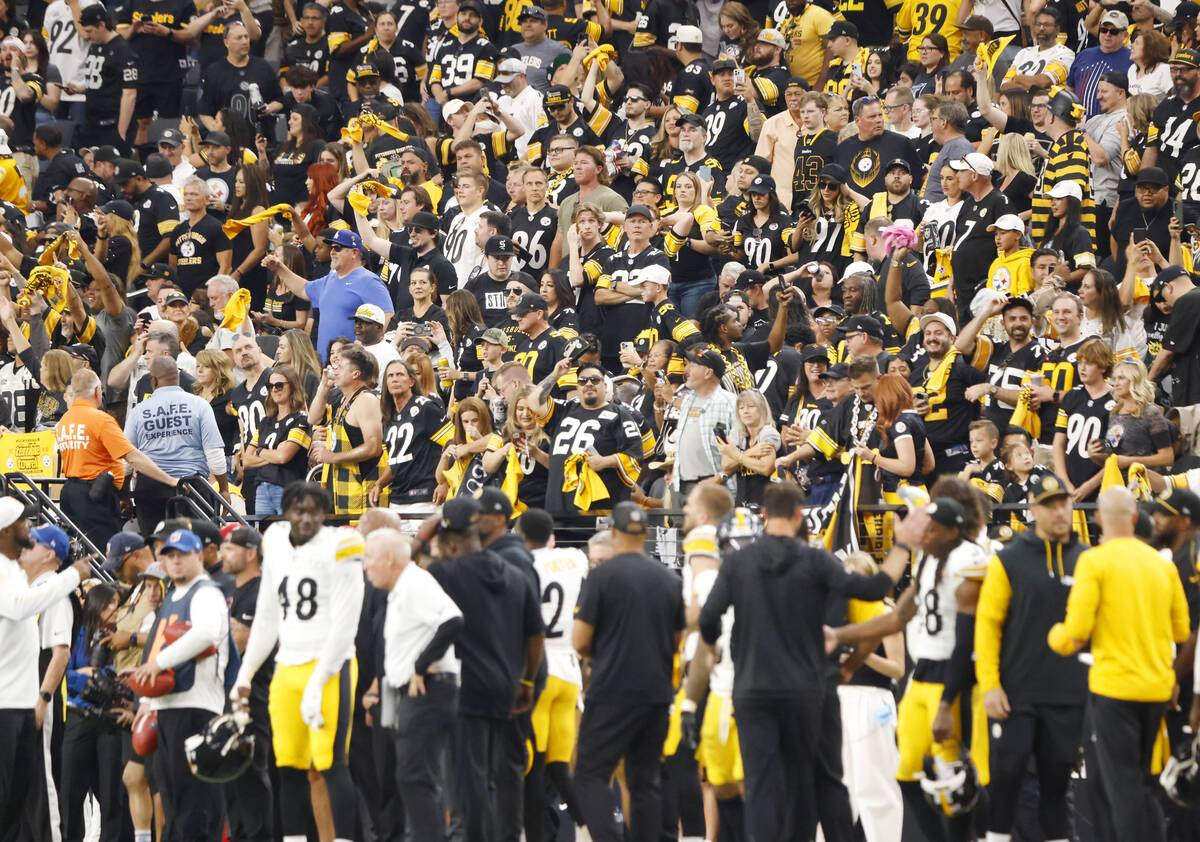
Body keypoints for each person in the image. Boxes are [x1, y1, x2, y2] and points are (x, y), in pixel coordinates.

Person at [700, 481, 910, 841]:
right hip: (805, 691)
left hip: (753, 690)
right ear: (799, 515)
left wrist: (715, 647)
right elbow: (875, 590)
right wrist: (904, 544)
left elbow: (708, 618)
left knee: (762, 784)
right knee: (821, 779)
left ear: (763, 515)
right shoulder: (816, 560)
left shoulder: (738, 562)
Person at [1049, 485, 1190, 841]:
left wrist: (1054, 636)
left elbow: (1077, 634)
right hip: (1157, 688)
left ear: (1097, 519)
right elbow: (1181, 629)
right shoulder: (1162, 565)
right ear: (1133, 518)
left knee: (1122, 785)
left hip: (1115, 690)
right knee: (1142, 780)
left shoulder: (1094, 561)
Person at [233, 481, 366, 842]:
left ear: (324, 515)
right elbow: (267, 613)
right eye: (299, 510)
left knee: (331, 764)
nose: (306, 518)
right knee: (289, 765)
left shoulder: (342, 545)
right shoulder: (274, 541)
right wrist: (245, 673)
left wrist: (319, 681)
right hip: (286, 667)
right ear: (287, 511)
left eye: (314, 512)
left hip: (330, 665)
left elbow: (346, 624)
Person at [975, 471, 1088, 842]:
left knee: (1057, 788)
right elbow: (988, 625)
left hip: (1068, 695)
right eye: (1049, 505)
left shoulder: (1088, 560)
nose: (1059, 512)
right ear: (1033, 510)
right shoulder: (1008, 559)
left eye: (1064, 503)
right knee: (1006, 781)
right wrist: (990, 685)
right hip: (1016, 694)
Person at [427, 495, 544, 842]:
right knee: (505, 774)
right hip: (508, 686)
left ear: (449, 543)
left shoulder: (443, 573)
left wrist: (422, 537)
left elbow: (407, 583)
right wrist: (526, 681)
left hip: (466, 691)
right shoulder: (514, 572)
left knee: (468, 781)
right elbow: (535, 634)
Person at [572, 501, 683, 842]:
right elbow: (678, 638)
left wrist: (601, 653)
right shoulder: (668, 579)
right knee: (644, 782)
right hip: (656, 693)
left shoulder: (602, 575)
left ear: (614, 533)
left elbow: (580, 639)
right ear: (646, 534)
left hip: (612, 690)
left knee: (590, 775)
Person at [130, 528, 231, 842]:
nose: (174, 561)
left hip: (198, 706)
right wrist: (148, 702)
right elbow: (160, 645)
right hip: (170, 706)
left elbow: (206, 634)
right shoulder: (172, 596)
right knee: (174, 802)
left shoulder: (206, 592)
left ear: (199, 556)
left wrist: (157, 665)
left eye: (182, 555)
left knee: (195, 804)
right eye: (169, 555)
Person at [363, 526, 463, 842]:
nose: (365, 566)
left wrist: (420, 665)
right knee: (409, 778)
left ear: (390, 559)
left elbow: (452, 620)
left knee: (415, 778)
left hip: (428, 690)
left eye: (369, 558)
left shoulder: (416, 582)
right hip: (407, 693)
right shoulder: (400, 589)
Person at [0, 498, 92, 833]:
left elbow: (61, 653)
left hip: (34, 699)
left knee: (37, 785)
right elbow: (17, 610)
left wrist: (43, 698)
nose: (27, 537)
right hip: (13, 699)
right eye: (26, 529)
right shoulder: (15, 581)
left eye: (35, 538)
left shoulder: (48, 591)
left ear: (50, 554)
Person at [56, 368, 179, 550]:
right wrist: (169, 480)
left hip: (71, 491)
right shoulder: (99, 419)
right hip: (95, 494)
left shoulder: (65, 420)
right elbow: (132, 457)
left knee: (82, 549)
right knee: (107, 550)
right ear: (98, 391)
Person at [123, 356, 229, 535]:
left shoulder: (139, 411)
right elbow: (214, 453)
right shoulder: (199, 405)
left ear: (153, 380)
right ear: (178, 377)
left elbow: (127, 457)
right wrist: (224, 489)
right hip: (191, 485)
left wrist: (125, 492)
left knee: (156, 545)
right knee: (195, 545)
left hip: (150, 487)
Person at [265, 229, 393, 361]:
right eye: (331, 248)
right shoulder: (330, 279)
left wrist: (366, 349)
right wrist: (279, 268)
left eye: (337, 248)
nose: (332, 252)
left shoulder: (368, 280)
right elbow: (303, 289)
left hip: (352, 364)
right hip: (326, 361)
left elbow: (387, 315)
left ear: (354, 252)